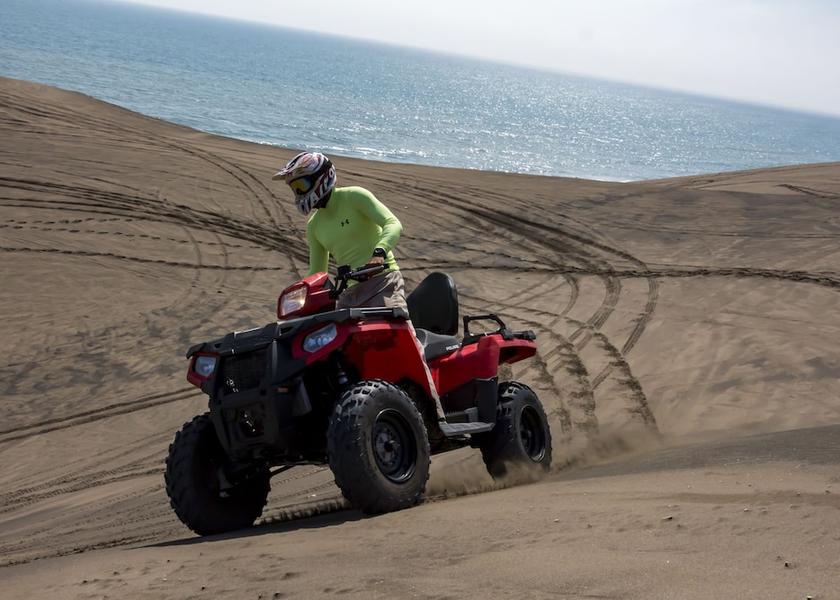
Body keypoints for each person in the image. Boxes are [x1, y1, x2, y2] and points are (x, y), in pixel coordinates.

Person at [273, 152, 408, 311]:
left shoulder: (354, 196)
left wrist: (379, 253)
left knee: (395, 330)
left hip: (383, 282)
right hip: (349, 293)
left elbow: (392, 223)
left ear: (321, 177)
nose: (298, 193)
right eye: (294, 188)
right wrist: (299, 294)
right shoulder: (314, 226)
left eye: (301, 185)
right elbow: (317, 272)